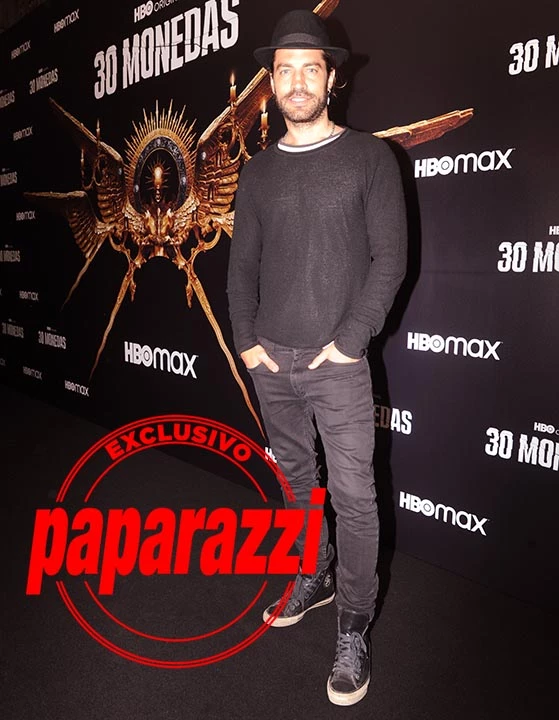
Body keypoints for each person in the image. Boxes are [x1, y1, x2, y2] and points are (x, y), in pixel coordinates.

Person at [227, 9, 407, 707]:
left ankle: (353, 626)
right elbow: (242, 268)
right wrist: (247, 342)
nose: (297, 82)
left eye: (311, 69)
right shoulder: (257, 173)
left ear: (332, 80)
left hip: (339, 365)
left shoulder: (370, 158)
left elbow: (389, 261)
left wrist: (349, 340)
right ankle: (315, 571)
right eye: (285, 71)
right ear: (270, 84)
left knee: (355, 498)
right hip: (272, 364)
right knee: (297, 484)